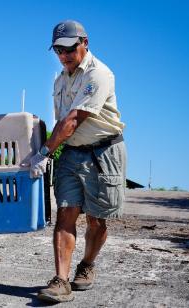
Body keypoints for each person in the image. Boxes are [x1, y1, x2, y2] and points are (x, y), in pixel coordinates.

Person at [31, 20, 126, 303]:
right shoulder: (59, 79)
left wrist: (43, 153)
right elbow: (61, 121)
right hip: (72, 153)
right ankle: (61, 280)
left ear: (84, 42)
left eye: (69, 48)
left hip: (103, 152)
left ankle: (87, 264)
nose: (63, 55)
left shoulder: (100, 74)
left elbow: (73, 120)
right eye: (58, 50)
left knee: (97, 220)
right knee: (66, 213)